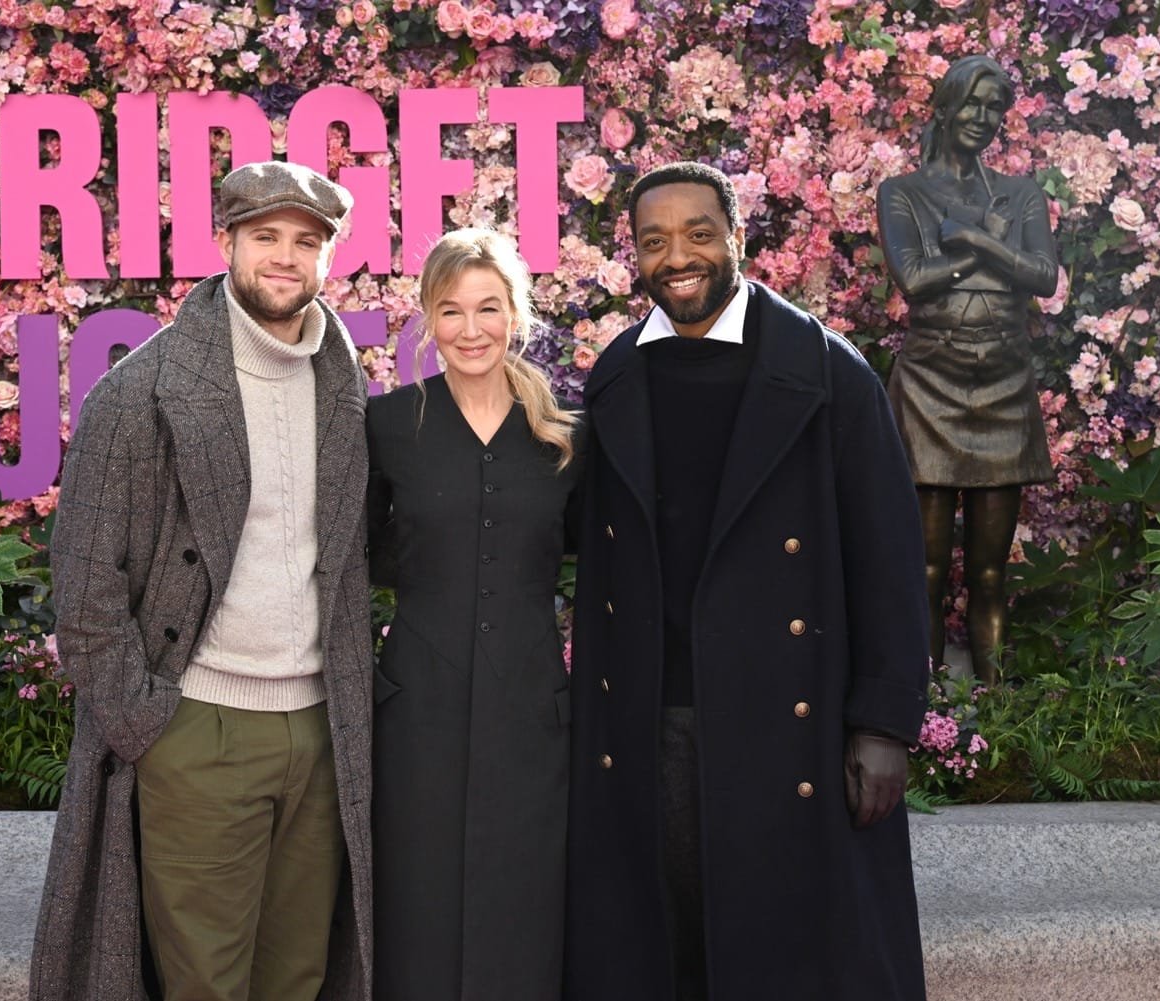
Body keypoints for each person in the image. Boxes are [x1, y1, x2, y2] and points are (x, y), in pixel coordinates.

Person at [564, 161, 930, 1001]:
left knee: (788, 960)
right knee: (672, 948)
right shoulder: (618, 374)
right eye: (654, 241)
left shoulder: (827, 372)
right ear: (635, 256)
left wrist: (884, 721)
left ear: (736, 236)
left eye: (698, 232)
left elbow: (888, 555)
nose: (677, 256)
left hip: (790, 723)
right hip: (657, 716)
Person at [28, 161, 373, 1001]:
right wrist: (149, 724)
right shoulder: (141, 390)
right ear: (226, 243)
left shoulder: (342, 377)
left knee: (299, 977)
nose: (286, 258)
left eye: (306, 241)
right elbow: (84, 587)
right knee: (205, 985)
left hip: (320, 728)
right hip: (199, 728)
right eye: (266, 238)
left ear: (329, 257)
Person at [366, 228, 583, 1001]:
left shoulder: (564, 437)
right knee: (415, 898)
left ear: (515, 313)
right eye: (450, 310)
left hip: (533, 710)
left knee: (525, 899)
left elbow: (607, 570)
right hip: (414, 706)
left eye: (488, 307)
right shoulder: (388, 425)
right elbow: (352, 557)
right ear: (427, 316)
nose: (470, 329)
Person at [877, 54, 1059, 685]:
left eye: (995, 110)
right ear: (945, 107)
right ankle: (925, 720)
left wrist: (974, 238)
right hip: (931, 386)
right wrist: (998, 248)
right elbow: (915, 279)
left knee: (990, 572)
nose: (983, 119)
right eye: (974, 105)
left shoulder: (1019, 192)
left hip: (1004, 385)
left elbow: (1044, 278)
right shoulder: (901, 192)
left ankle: (999, 718)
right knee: (924, 569)